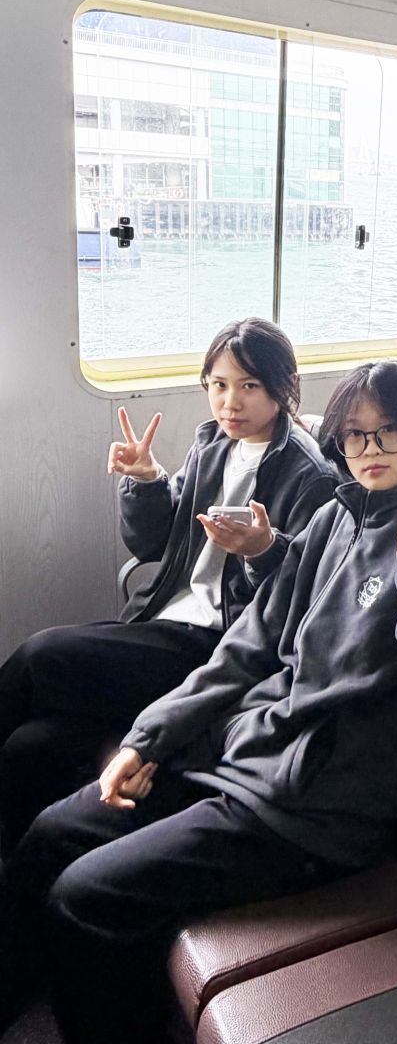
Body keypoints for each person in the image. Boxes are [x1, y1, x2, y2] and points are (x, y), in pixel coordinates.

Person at [0, 361, 397, 1043]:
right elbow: (246, 647)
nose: (371, 450)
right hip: (243, 756)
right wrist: (149, 738)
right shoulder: (333, 518)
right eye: (355, 435)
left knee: (85, 897)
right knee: (52, 832)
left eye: (389, 432)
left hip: (310, 810)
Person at [0, 318, 336, 856]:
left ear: (284, 387)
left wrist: (262, 550)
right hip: (163, 621)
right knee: (27, 745)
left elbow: (302, 600)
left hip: (215, 645)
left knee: (39, 656)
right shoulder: (213, 445)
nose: (230, 402)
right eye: (218, 384)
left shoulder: (309, 475)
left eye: (249, 385)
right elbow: (155, 544)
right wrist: (147, 482)